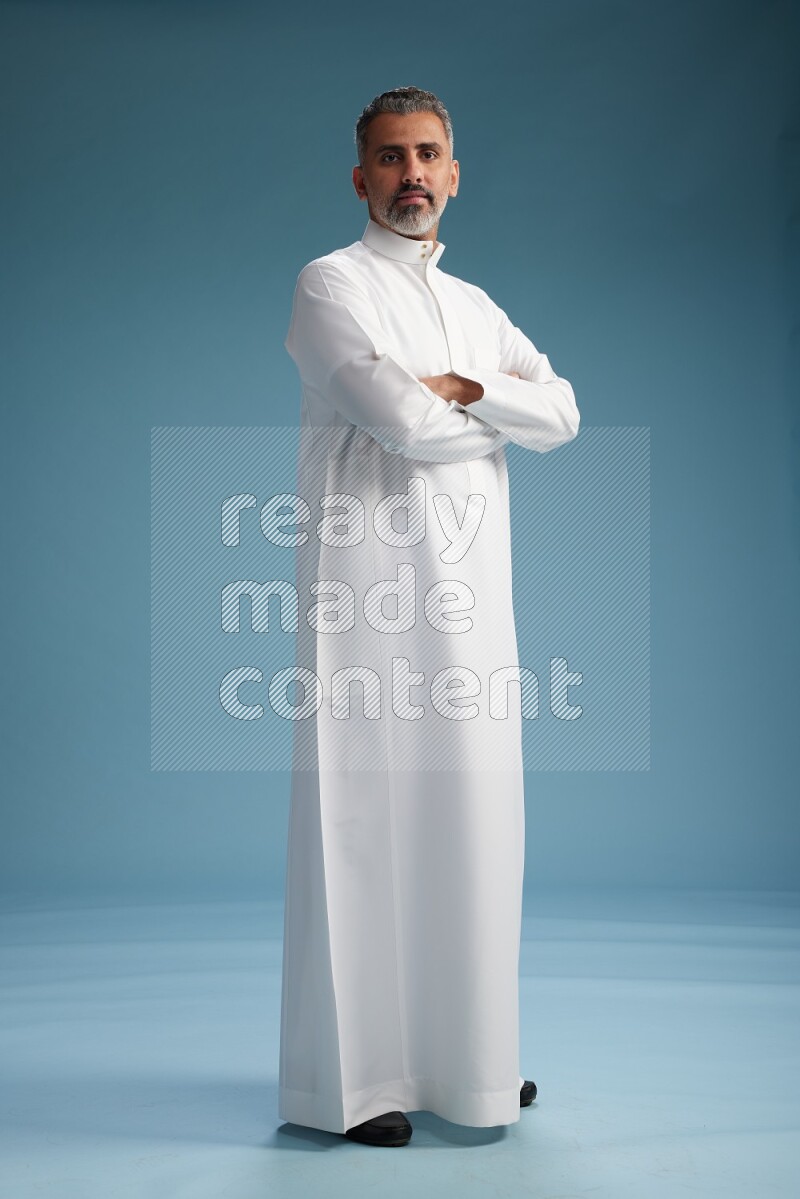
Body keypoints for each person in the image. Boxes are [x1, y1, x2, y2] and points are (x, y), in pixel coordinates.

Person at [278, 86, 579, 1148]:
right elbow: (398, 421)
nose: (411, 173)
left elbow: (563, 410)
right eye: (389, 156)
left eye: (428, 155)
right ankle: (352, 1085)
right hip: (364, 591)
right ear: (357, 176)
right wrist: (479, 406)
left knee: (473, 821)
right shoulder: (329, 285)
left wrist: (464, 385)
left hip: (467, 600)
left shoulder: (478, 305)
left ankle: (472, 1065)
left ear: (453, 172)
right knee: (360, 820)